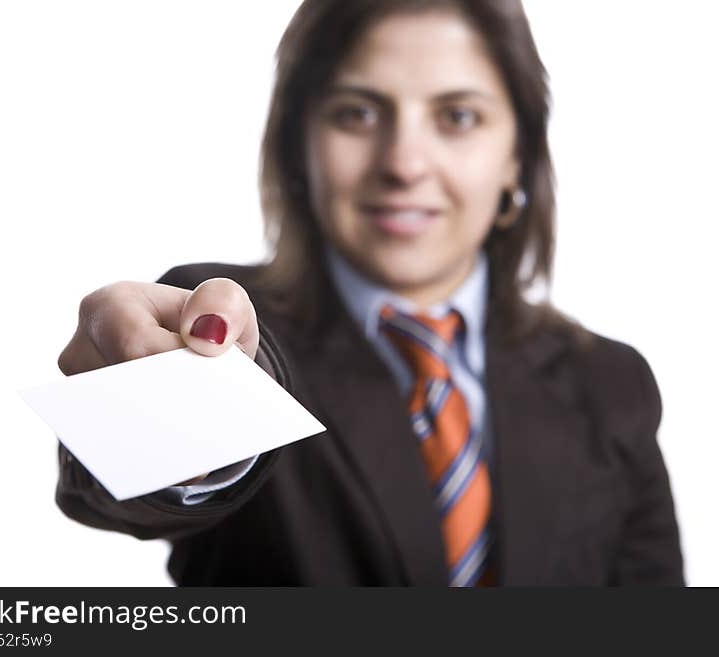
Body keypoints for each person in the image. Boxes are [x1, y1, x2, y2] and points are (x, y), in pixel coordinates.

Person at [55, 0, 684, 586]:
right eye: (357, 113)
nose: (404, 163)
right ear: (300, 143)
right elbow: (125, 490)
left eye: (458, 117)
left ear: (517, 154)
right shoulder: (219, 322)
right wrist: (176, 412)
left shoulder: (611, 385)